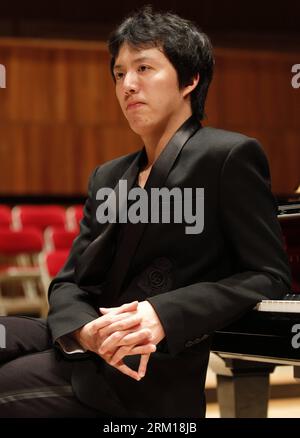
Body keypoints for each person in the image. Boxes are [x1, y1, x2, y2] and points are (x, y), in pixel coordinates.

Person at [0, 6, 291, 418]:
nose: (128, 85)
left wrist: (164, 313)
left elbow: (269, 275)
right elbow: (68, 284)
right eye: (119, 74)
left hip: (146, 375)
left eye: (144, 68)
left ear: (190, 80)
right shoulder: (108, 175)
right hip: (87, 346)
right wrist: (85, 332)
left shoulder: (228, 156)